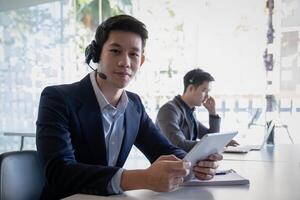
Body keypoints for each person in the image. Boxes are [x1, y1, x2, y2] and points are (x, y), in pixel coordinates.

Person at [36, 15, 222, 200]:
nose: (125, 62)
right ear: (97, 54)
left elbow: (165, 149)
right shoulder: (58, 98)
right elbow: (59, 172)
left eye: (133, 54)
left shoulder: (134, 105)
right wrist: (141, 178)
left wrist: (195, 164)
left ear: (141, 61)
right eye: (115, 51)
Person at [156, 69, 238, 152]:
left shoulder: (189, 112)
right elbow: (179, 144)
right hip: (169, 163)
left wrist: (212, 112)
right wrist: (217, 143)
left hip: (185, 161)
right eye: (204, 90)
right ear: (191, 88)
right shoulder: (169, 110)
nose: (207, 96)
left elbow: (210, 136)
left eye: (208, 91)